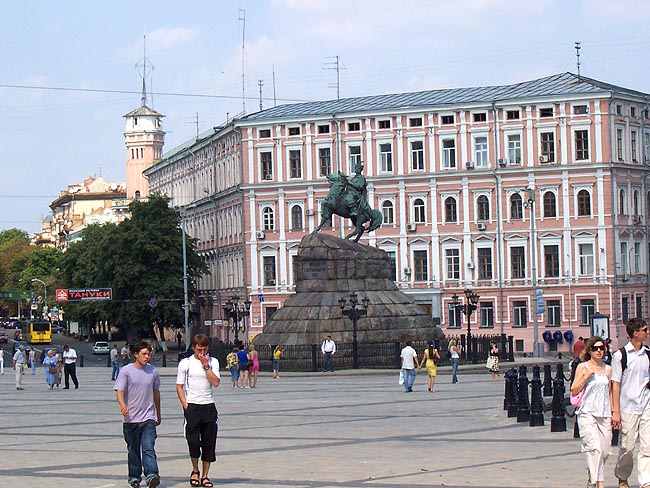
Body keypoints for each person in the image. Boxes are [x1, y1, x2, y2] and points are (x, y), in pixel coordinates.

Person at [114, 341, 161, 488]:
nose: (147, 357)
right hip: (130, 419)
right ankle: (134, 478)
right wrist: (122, 405)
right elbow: (119, 390)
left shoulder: (153, 372)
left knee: (148, 447)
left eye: (149, 354)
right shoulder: (126, 371)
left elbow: (156, 393)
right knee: (133, 450)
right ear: (136, 355)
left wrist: (158, 413)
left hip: (148, 417)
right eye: (144, 354)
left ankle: (152, 475)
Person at [176, 334, 220, 488]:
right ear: (193, 347)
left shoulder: (213, 362)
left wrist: (206, 365)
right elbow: (179, 386)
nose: (201, 352)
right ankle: (195, 470)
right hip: (192, 406)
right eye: (199, 349)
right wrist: (185, 404)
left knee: (209, 442)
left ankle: (206, 475)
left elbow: (216, 383)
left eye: (204, 349)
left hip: (208, 405)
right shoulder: (185, 363)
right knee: (193, 441)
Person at [611, 317, 650, 488]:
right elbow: (616, 384)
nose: (647, 333)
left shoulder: (648, 353)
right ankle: (622, 475)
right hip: (628, 407)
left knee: (647, 446)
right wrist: (616, 411)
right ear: (636, 333)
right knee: (627, 447)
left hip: (646, 405)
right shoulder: (620, 355)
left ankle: (645, 481)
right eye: (645, 330)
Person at [571, 336, 612, 488]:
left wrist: (615, 412)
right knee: (594, 448)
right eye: (596, 348)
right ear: (589, 350)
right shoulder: (583, 367)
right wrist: (586, 377)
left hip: (604, 413)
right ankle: (599, 483)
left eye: (602, 348)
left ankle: (592, 476)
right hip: (587, 412)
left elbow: (610, 392)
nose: (599, 351)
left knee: (605, 450)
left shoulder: (608, 369)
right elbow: (574, 389)